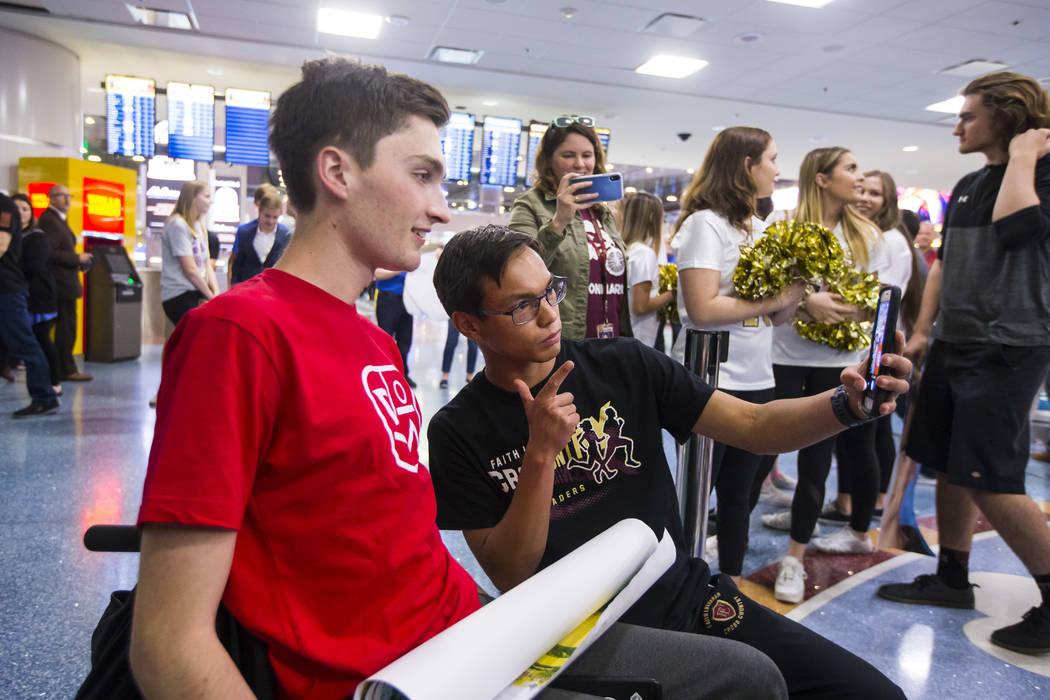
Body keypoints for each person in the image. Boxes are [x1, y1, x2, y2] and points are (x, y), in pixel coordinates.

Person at [128, 58, 778, 700]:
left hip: (469, 631)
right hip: (404, 676)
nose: (442, 210)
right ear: (336, 172)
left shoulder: (371, 341)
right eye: (422, 177)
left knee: (745, 676)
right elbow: (168, 645)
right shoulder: (238, 334)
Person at [428, 224, 910, 700]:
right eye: (522, 307)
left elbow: (753, 426)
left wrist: (849, 405)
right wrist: (539, 456)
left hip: (681, 595)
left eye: (550, 292)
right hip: (577, 635)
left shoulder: (623, 364)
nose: (549, 314)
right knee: (752, 680)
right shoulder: (458, 430)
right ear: (469, 324)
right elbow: (511, 574)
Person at [876, 71, 1050, 655]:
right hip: (956, 341)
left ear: (1006, 116)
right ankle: (953, 577)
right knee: (945, 462)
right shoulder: (972, 182)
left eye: (969, 115)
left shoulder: (1040, 174)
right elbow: (947, 264)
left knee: (990, 478)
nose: (957, 126)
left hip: (1010, 344)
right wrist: (924, 332)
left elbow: (1021, 228)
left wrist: (1024, 155)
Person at [671, 127, 804, 582]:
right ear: (746, 165)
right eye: (771, 159)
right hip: (711, 377)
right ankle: (678, 579)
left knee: (740, 494)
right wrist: (774, 299)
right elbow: (702, 308)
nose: (777, 169)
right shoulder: (703, 224)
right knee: (695, 493)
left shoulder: (758, 227)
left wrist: (798, 291)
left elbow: (776, 320)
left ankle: (730, 583)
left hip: (756, 377)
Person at [760, 147, 891, 603]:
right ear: (821, 178)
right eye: (850, 169)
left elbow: (876, 300)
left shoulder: (869, 236)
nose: (859, 178)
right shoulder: (784, 225)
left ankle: (794, 557)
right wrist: (804, 301)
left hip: (836, 364)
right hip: (782, 356)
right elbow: (765, 291)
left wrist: (839, 305)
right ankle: (731, 534)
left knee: (816, 463)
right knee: (758, 453)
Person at [828, 170, 923, 521]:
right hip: (865, 347)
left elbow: (880, 301)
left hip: (877, 349)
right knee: (868, 432)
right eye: (862, 190)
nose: (865, 198)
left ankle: (866, 514)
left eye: (876, 194)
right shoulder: (873, 235)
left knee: (869, 433)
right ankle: (853, 504)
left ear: (890, 202)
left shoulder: (891, 241)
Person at [509, 115, 631, 340]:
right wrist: (559, 221)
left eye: (587, 155)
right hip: (563, 341)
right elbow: (517, 273)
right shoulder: (530, 204)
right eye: (568, 155)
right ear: (548, 160)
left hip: (611, 342)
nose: (580, 164)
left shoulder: (603, 213)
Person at [0, 192, 59, 417]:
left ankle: (45, 397)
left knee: (25, 344)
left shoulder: (4, 206)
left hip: (8, 290)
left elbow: (1, 246)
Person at [37, 183, 93, 382]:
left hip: (64, 283)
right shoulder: (50, 221)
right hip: (60, 285)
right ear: (51, 198)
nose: (67, 199)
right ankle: (66, 369)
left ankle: (64, 367)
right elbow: (49, 252)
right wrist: (76, 258)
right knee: (65, 329)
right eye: (62, 196)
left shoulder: (58, 219)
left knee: (65, 328)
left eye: (69, 195)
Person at [12, 194, 61, 396]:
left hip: (39, 299)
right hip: (22, 298)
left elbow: (35, 266)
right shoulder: (13, 237)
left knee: (42, 339)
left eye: (25, 209)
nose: (21, 213)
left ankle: (53, 382)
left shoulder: (37, 237)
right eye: (17, 209)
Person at [160, 181, 220, 327]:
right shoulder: (177, 224)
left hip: (196, 291)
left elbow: (206, 264)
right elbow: (190, 269)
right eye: (206, 196)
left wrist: (216, 294)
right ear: (193, 198)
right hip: (179, 294)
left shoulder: (199, 226)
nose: (210, 201)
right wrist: (211, 296)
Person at [622, 192, 674, 347]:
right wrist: (673, 294)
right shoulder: (644, 254)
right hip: (640, 339)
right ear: (652, 217)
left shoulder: (626, 248)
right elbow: (640, 306)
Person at [228, 185, 291, 286]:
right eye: (267, 216)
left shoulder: (286, 235)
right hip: (246, 289)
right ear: (260, 211)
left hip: (273, 289)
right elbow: (237, 266)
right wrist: (234, 287)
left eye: (275, 217)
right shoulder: (244, 232)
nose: (271, 221)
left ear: (280, 214)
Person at [374, 268, 417, 388]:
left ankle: (402, 374)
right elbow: (377, 274)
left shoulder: (411, 258)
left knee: (405, 341)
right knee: (384, 339)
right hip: (388, 299)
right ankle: (382, 374)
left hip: (408, 301)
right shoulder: (386, 254)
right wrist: (398, 271)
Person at [440, 318, 477, 388]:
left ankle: (470, 376)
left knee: (473, 344)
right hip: (455, 312)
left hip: (472, 313)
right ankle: (445, 375)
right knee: (451, 342)